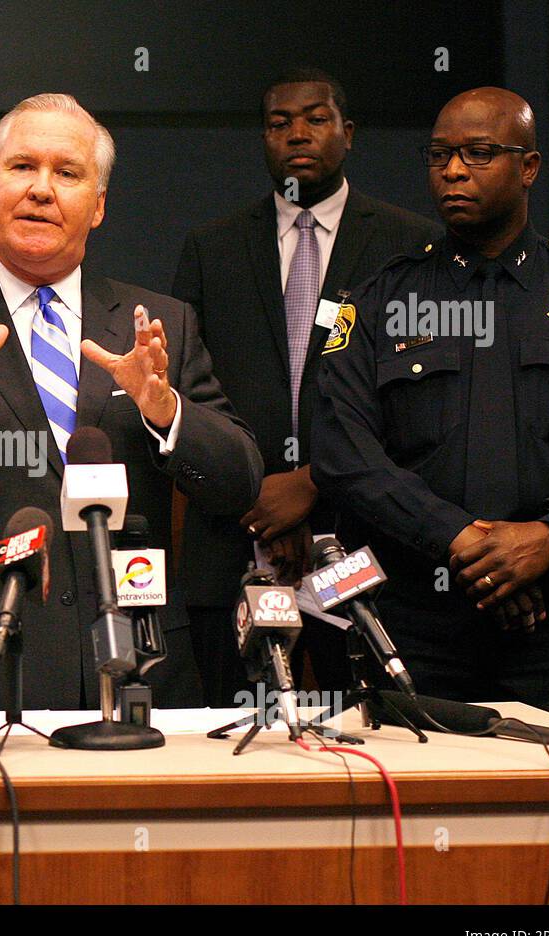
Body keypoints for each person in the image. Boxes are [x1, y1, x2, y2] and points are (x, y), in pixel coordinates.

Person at [0, 93, 264, 711]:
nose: (41, 189)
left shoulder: (161, 322)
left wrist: (166, 411)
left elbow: (238, 484)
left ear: (98, 207)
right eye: (21, 167)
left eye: (66, 173)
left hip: (139, 667)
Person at [312, 88, 549, 729]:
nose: (454, 170)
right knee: (408, 814)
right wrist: (463, 541)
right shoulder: (381, 299)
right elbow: (339, 450)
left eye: (478, 154)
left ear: (529, 167)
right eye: (440, 155)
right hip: (415, 623)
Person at [172, 68, 439, 705]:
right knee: (231, 750)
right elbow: (184, 397)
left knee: (365, 736)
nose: (298, 133)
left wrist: (315, 483)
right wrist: (255, 496)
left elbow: (425, 407)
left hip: (364, 542)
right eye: (278, 122)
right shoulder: (212, 248)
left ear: (348, 133)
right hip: (234, 538)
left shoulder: (411, 247)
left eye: (316, 119)